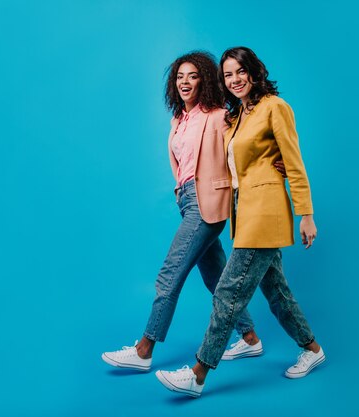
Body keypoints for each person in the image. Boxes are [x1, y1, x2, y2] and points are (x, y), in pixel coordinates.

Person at [155, 46, 325, 398]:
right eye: (227, 74)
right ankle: (312, 350)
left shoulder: (275, 108)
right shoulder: (237, 117)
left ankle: (199, 373)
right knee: (275, 290)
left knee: (228, 291)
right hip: (244, 213)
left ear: (254, 72)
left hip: (266, 212)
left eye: (239, 71)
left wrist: (305, 214)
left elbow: (293, 163)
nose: (234, 80)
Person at [102, 51, 285, 371]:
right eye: (180, 77)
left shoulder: (216, 115)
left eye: (193, 76)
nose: (185, 82)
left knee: (169, 275)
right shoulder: (178, 120)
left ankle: (144, 349)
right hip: (186, 201)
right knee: (215, 277)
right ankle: (251, 338)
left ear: (205, 80)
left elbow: (244, 142)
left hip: (206, 204)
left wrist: (274, 162)